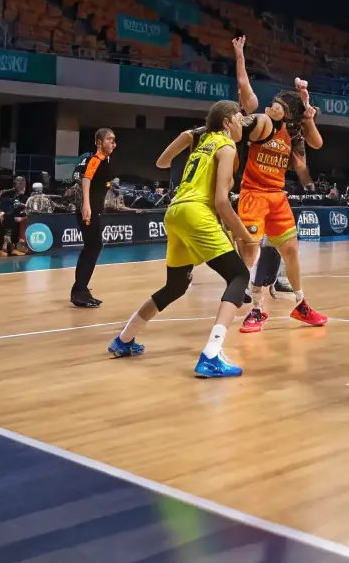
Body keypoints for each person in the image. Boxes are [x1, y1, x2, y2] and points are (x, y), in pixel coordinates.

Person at [109, 100, 252, 377]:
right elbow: (222, 203)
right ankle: (212, 354)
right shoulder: (226, 146)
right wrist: (246, 237)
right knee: (239, 275)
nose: (242, 124)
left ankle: (123, 340)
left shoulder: (199, 142)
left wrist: (189, 135)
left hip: (175, 212)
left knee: (175, 286)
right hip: (196, 212)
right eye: (238, 118)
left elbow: (162, 162)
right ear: (226, 123)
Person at [232, 36, 327, 332]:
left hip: (277, 197)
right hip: (253, 195)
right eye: (272, 104)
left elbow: (317, 143)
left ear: (287, 113)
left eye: (276, 106)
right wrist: (239, 54)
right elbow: (244, 85)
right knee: (251, 252)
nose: (271, 107)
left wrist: (308, 111)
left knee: (291, 251)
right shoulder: (262, 122)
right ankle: (256, 308)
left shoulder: (292, 134)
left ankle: (301, 304)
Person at [72, 127, 116, 309]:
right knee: (93, 246)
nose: (113, 143)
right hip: (88, 212)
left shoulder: (105, 161)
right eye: (109, 139)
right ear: (99, 142)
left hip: (94, 211)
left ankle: (80, 289)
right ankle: (79, 292)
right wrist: (86, 205)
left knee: (93, 247)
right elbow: (86, 179)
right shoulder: (96, 159)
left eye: (114, 140)